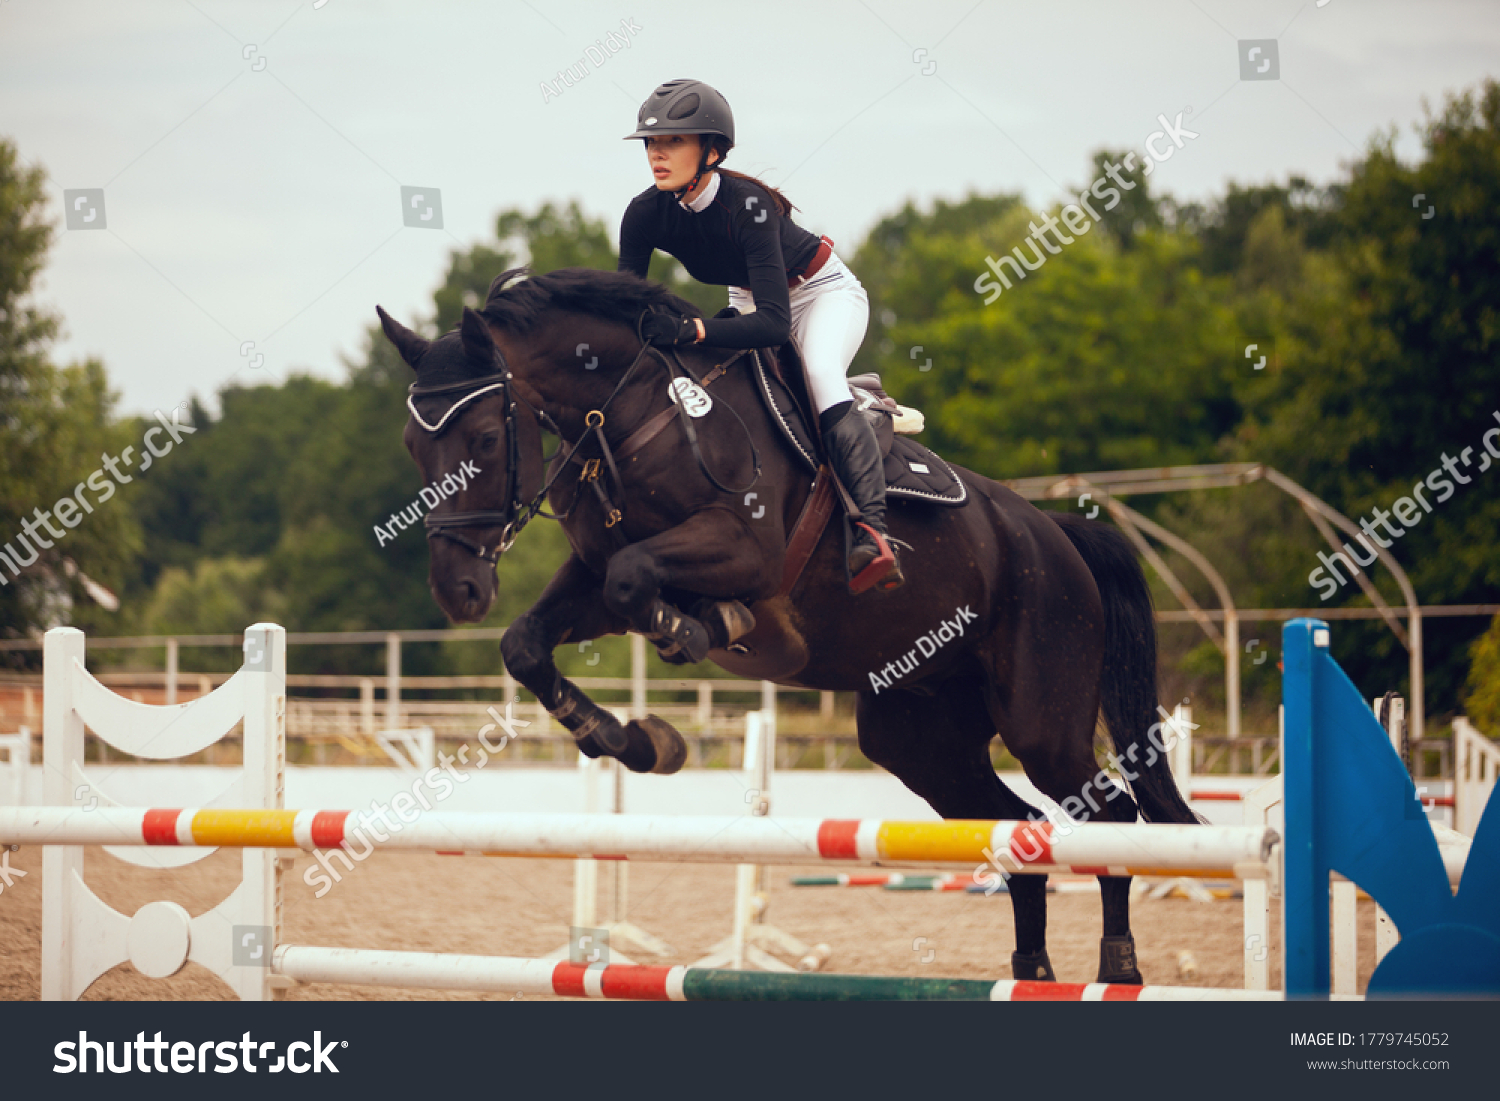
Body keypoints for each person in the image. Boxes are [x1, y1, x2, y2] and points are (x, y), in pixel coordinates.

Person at [617, 79, 904, 594]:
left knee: (818, 371)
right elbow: (627, 309)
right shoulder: (643, 214)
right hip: (751, 300)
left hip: (821, 293)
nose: (656, 154)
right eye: (650, 144)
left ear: (713, 151)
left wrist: (693, 327)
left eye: (673, 142)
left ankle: (873, 530)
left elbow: (774, 325)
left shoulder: (748, 205)